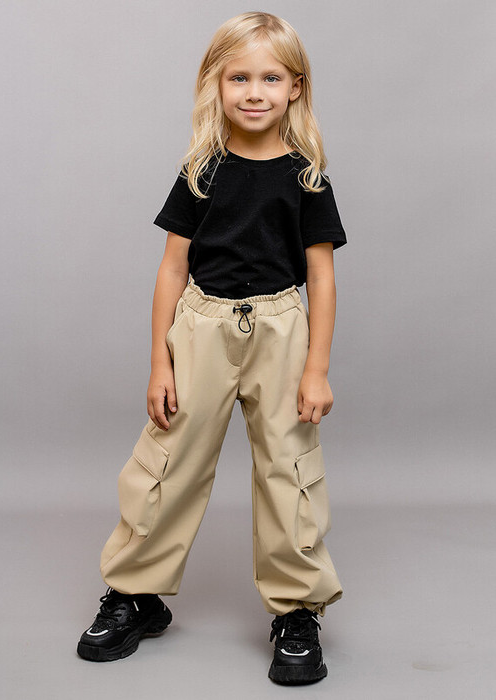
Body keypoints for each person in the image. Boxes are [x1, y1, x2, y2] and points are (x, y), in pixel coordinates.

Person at [77, 11, 347, 686]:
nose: (254, 92)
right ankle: (135, 593)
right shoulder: (201, 170)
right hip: (200, 328)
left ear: (295, 87)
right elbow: (172, 268)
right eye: (239, 78)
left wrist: (316, 368)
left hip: (281, 330)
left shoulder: (307, 176)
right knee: (168, 461)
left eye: (270, 78)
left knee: (287, 469)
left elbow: (320, 277)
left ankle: (297, 610)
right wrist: (159, 361)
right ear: (215, 84)